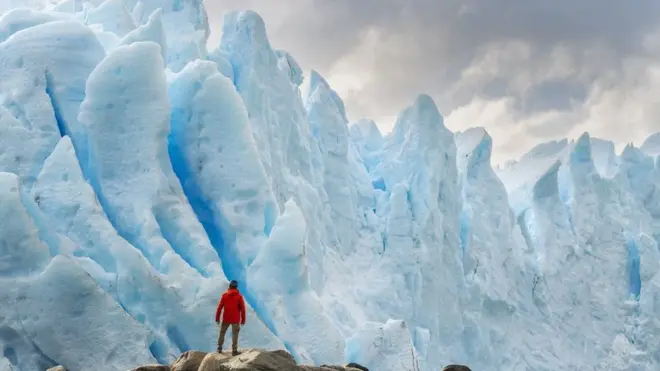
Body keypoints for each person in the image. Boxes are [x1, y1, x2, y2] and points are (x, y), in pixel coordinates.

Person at [215, 280, 246, 355]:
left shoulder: (224, 295)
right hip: (235, 319)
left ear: (229, 286)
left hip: (226, 318)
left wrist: (217, 318)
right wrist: (243, 320)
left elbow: (219, 307)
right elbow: (243, 309)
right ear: (236, 287)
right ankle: (234, 350)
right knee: (235, 334)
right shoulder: (239, 296)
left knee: (222, 333)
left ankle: (219, 348)